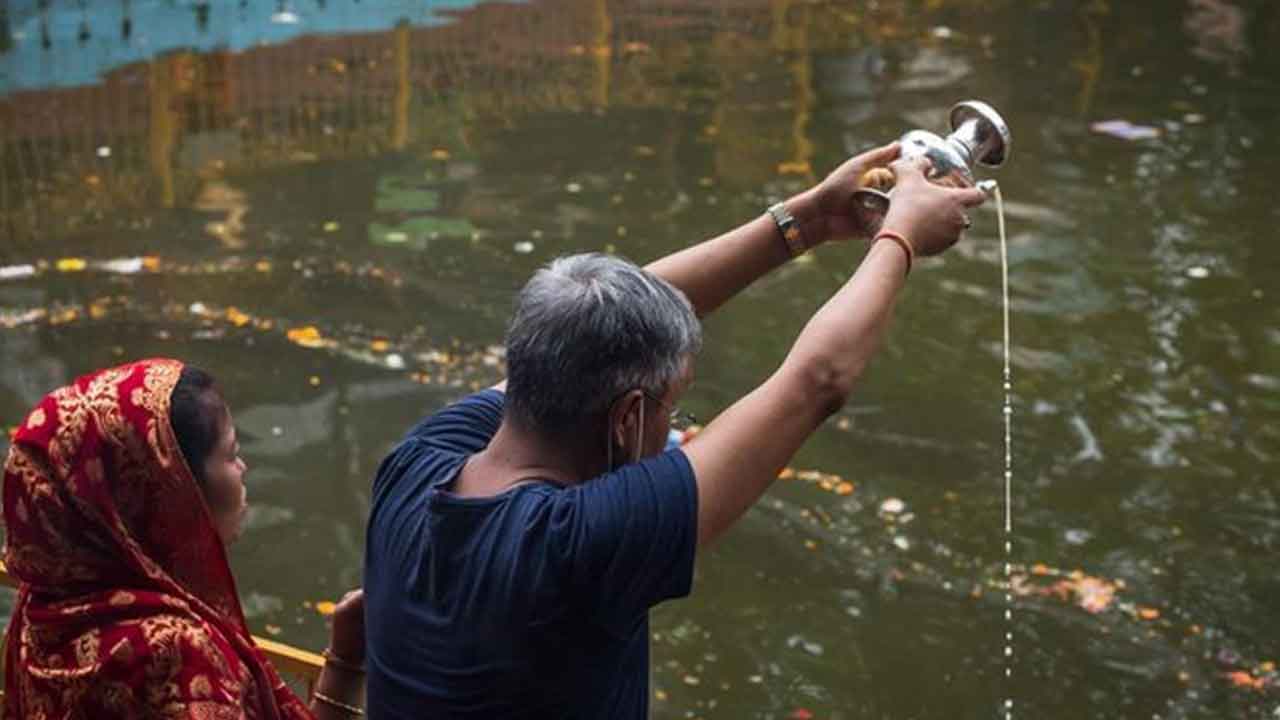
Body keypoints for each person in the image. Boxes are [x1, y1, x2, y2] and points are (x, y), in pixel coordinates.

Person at [363, 144, 986, 718]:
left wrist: (811, 220)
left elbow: (617, 312)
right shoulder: (578, 543)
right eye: (672, 409)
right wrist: (901, 237)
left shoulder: (419, 461)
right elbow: (816, 382)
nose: (677, 428)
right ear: (628, 419)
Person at [2, 358, 366, 720]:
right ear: (169, 490)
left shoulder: (40, 611)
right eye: (231, 454)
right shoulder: (173, 653)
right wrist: (347, 664)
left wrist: (344, 659)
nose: (243, 469)